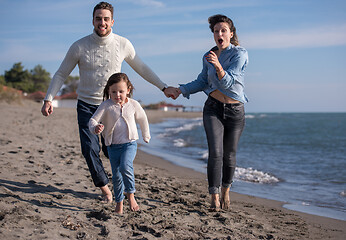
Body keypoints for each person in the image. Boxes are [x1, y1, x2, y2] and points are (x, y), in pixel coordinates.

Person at [41, 2, 176, 203]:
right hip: (87, 105)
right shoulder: (79, 46)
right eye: (98, 18)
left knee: (110, 150)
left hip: (113, 107)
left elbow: (142, 68)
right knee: (89, 149)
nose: (102, 22)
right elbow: (61, 73)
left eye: (106, 19)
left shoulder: (123, 44)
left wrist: (163, 87)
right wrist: (48, 98)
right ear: (92, 20)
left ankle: (120, 189)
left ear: (112, 21)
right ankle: (105, 189)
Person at [173, 14, 248, 210]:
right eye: (216, 31)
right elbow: (202, 81)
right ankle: (214, 196)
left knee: (229, 155)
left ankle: (226, 191)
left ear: (231, 34)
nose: (220, 34)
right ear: (213, 35)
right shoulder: (208, 56)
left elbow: (229, 83)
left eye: (223, 30)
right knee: (215, 153)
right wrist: (181, 90)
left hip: (235, 110)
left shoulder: (240, 54)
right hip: (213, 108)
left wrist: (218, 66)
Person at [88, 73, 149, 213]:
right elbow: (92, 120)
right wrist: (95, 128)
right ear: (108, 91)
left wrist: (146, 135)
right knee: (116, 176)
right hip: (112, 147)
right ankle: (119, 203)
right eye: (113, 92)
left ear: (128, 89)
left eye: (121, 91)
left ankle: (131, 195)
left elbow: (143, 119)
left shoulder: (133, 104)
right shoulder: (106, 105)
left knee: (125, 167)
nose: (117, 95)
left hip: (130, 144)